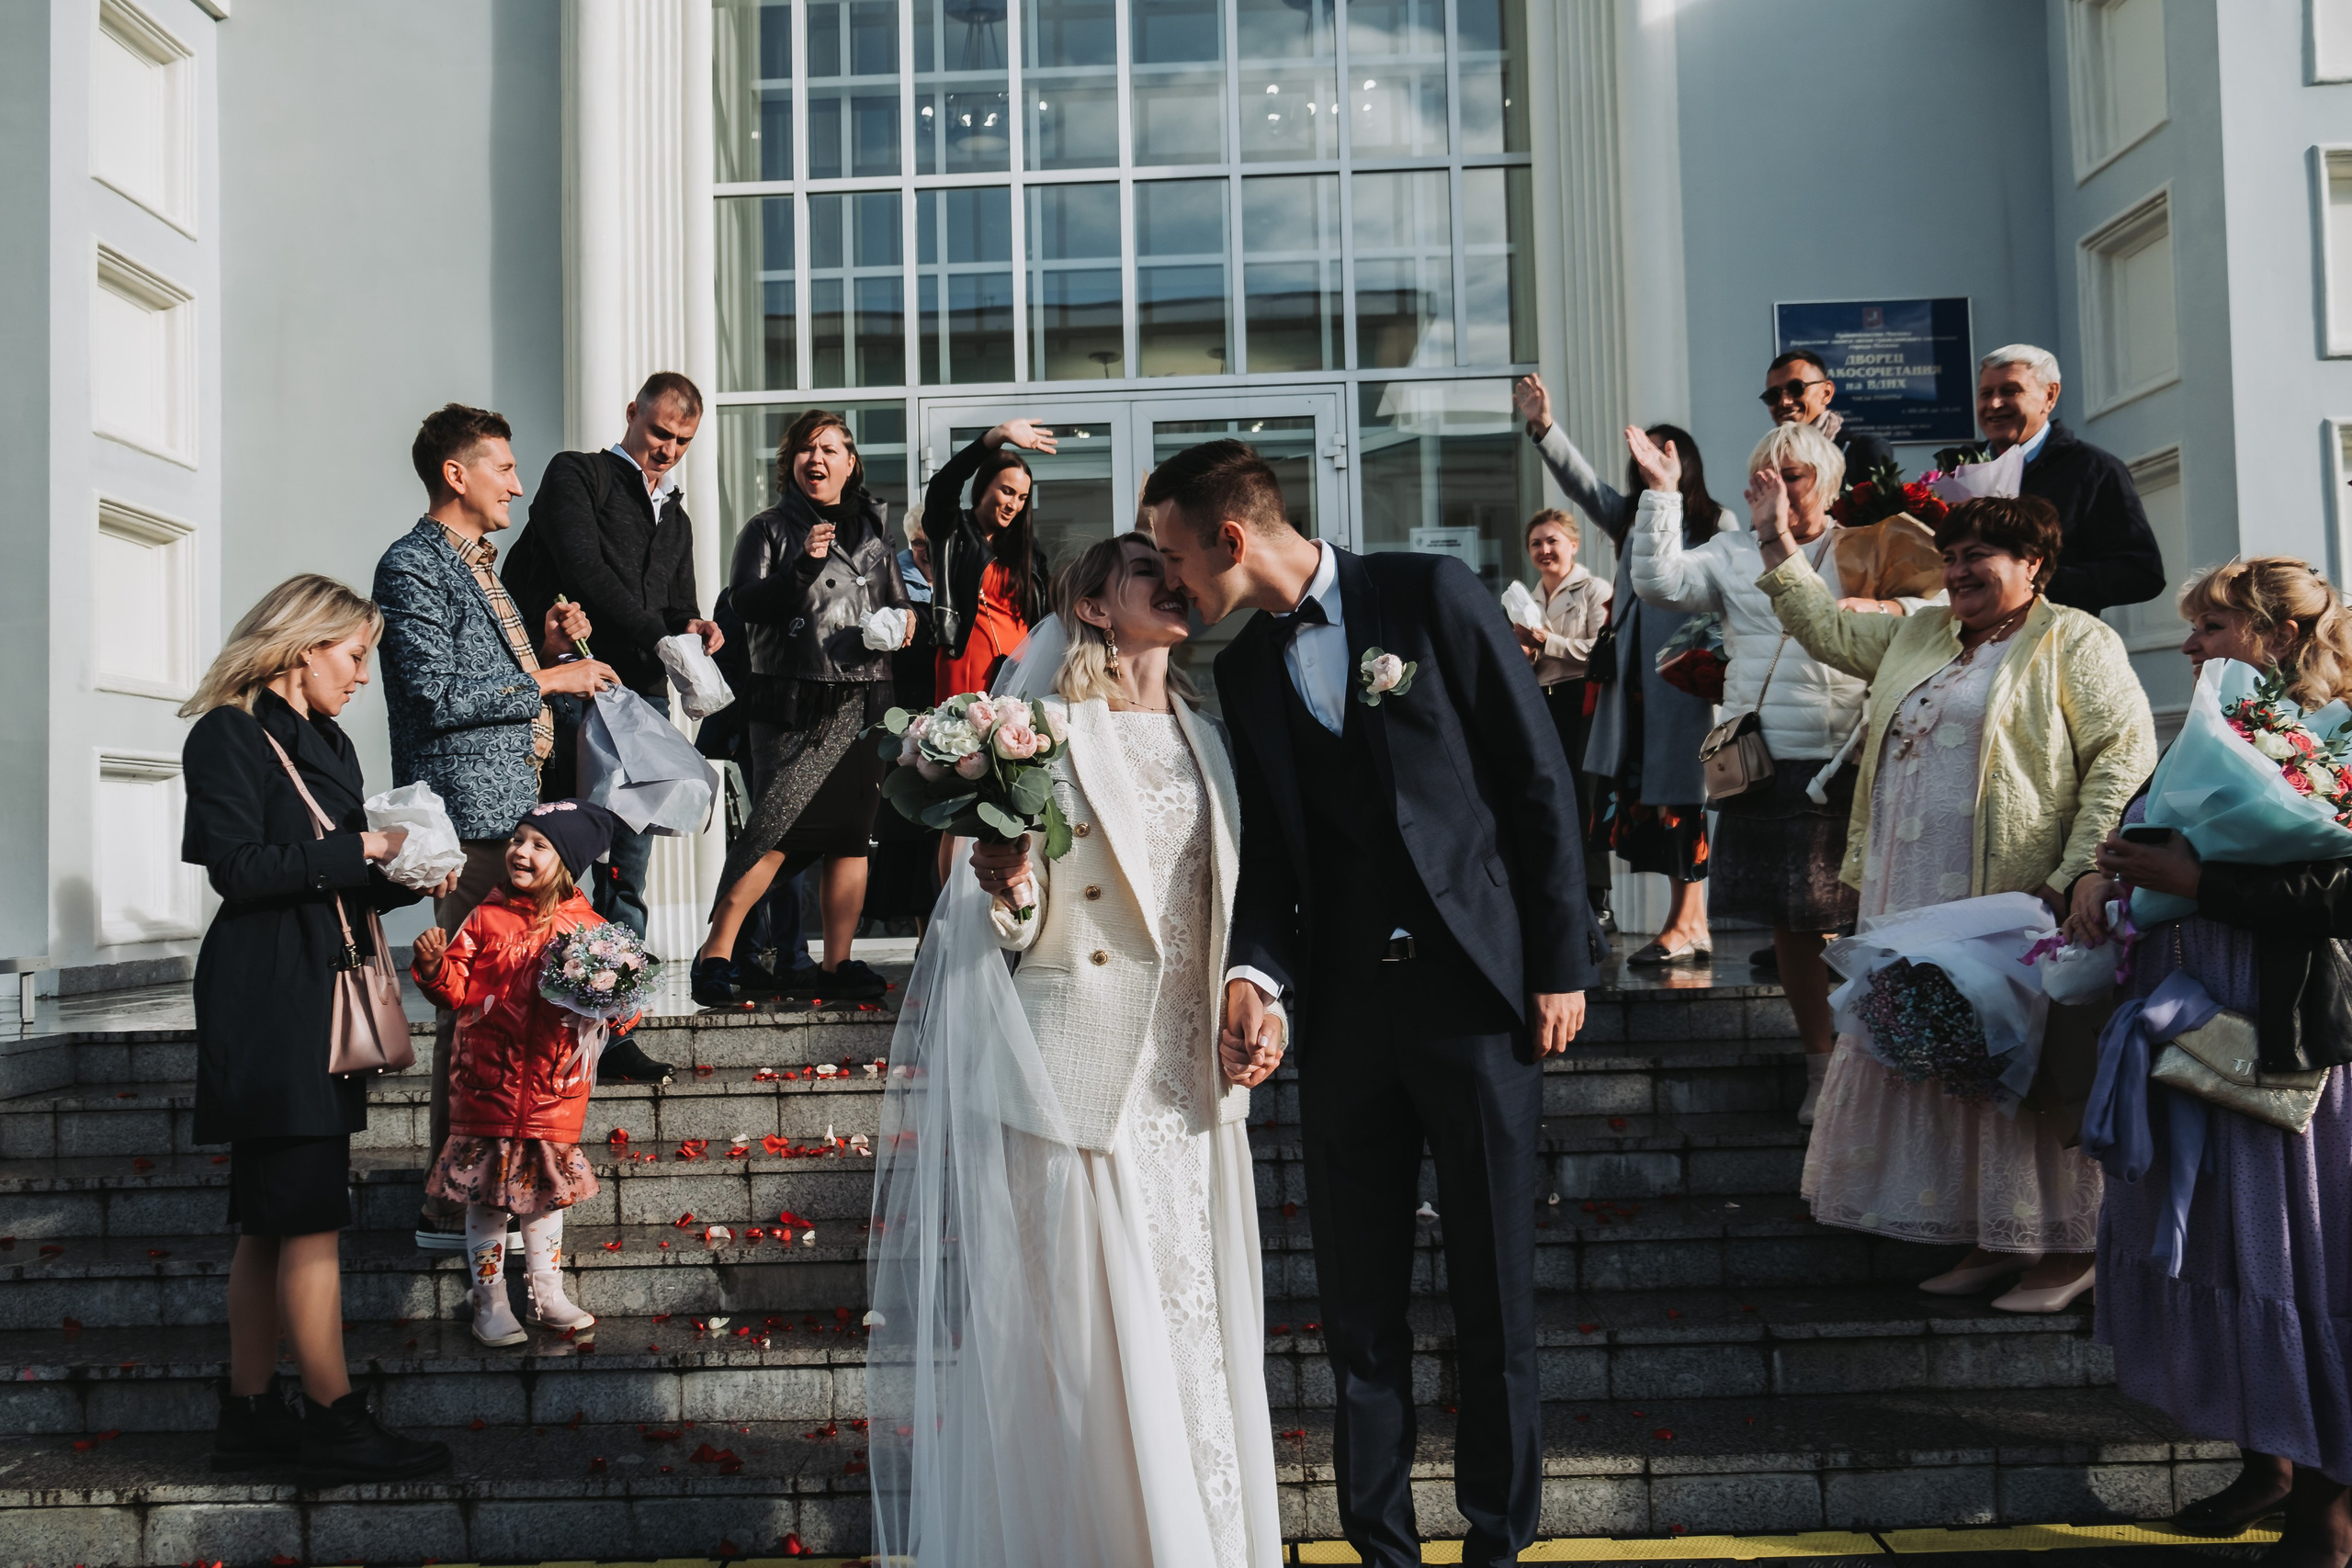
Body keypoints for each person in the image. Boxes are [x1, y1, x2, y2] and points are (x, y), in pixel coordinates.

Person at [1148, 441, 1605, 1568]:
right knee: (1358, 1309)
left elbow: (1535, 778)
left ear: (1230, 539)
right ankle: (1382, 1549)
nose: (1169, 583)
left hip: (1478, 999)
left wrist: (1561, 961)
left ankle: (1497, 1546)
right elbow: (1273, 861)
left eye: (1171, 554)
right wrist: (1258, 977)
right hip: (1349, 1019)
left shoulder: (1429, 592)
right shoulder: (1248, 672)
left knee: (1494, 1298)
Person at [872, 533, 1282, 1567]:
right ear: (1094, 608)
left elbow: (1236, 906)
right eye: (1146, 572)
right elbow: (1010, 915)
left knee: (1187, 1327)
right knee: (1089, 1345)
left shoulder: (1211, 730)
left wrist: (1258, 1000)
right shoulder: (1045, 728)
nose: (1173, 584)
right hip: (1078, 1076)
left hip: (1188, 1083)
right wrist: (1006, 883)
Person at [1755, 491, 2154, 1311]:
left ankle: (2071, 1245)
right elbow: (1826, 629)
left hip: (2013, 894)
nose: (1961, 570)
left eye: (1982, 555)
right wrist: (1775, 537)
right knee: (1952, 1059)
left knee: (2023, 1062)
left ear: (2035, 564)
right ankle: (1994, 1231)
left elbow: (2121, 757)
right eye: (1953, 555)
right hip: (1908, 893)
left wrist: (2084, 870)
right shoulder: (1922, 630)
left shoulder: (2076, 639)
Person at [2075, 558, 2352, 1560]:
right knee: (2230, 1244)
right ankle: (2267, 1461)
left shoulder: (2346, 732)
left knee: (2303, 1257)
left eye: (2212, 627)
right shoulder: (2210, 729)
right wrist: (2104, 866)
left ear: (2276, 637)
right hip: (2196, 1018)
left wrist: (2201, 879)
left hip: (2290, 1041)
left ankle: (2329, 1493)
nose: (2190, 645)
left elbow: (2340, 894)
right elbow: (2150, 819)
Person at [179, 574, 455, 1483]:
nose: (363, 677)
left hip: (318, 986)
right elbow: (240, 869)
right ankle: (334, 1420)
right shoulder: (228, 733)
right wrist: (364, 850)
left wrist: (406, 872)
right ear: (305, 649)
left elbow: (331, 872)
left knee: (270, 1222)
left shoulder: (328, 741)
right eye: (355, 656)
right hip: (268, 1000)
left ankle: (250, 1416)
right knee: (306, 1220)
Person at [1629, 420, 1944, 1121]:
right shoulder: (1736, 551)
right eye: (1760, 476)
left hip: (1856, 755)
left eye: (1789, 475)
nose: (1770, 488)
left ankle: (1881, 1060)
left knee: (1869, 915)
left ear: (1827, 482)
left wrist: (1889, 605)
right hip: (1770, 761)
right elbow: (1658, 582)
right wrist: (1662, 495)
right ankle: (1820, 1066)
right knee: (1795, 922)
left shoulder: (1869, 541)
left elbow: (1946, 606)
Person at [373, 404, 633, 1252]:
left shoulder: (483, 569)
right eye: (504, 468)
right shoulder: (413, 565)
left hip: (511, 818)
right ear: (458, 474)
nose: (519, 484)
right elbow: (432, 696)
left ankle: (498, 1191)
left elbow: (487, 679)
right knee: (473, 1015)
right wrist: (551, 678)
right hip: (470, 823)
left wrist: (540, 650)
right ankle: (451, 1206)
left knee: (516, 1014)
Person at [689, 410, 913, 1008]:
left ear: (850, 464)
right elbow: (746, 603)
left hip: (863, 696)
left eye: (831, 449)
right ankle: (715, 953)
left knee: (849, 838)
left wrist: (904, 621)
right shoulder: (767, 528)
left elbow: (897, 602)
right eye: (808, 449)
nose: (818, 459)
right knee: (772, 834)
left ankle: (836, 961)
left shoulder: (872, 534)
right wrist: (803, 567)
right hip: (794, 700)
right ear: (792, 461)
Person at [503, 371, 726, 943]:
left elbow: (677, 605)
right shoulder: (577, 473)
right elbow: (585, 572)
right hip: (573, 682)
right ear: (632, 412)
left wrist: (693, 626)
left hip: (643, 696)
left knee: (631, 852)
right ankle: (552, 963)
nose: (668, 450)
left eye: (682, 442)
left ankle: (617, 981)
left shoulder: (675, 515)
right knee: (564, 834)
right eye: (660, 432)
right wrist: (659, 633)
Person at [1513, 373, 1725, 954]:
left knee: (1684, 798)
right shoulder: (1631, 518)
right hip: (1629, 685)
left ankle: (1690, 920)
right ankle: (1685, 922)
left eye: (1655, 454)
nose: (1642, 466)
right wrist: (1544, 427)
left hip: (1685, 685)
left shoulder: (1716, 525)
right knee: (1640, 800)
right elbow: (1581, 487)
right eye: (1638, 459)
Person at [412, 799, 629, 1348]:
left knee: (543, 1196)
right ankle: (489, 1298)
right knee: (487, 1197)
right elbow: (456, 991)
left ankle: (545, 1292)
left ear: (569, 861)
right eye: (517, 840)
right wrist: (436, 969)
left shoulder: (593, 930)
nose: (520, 852)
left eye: (539, 845)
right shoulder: (484, 917)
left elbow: (619, 1008)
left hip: (554, 1091)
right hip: (486, 1083)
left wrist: (618, 997)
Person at [1930, 344, 2165, 616]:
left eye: (2010, 391)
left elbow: (2142, 573)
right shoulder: (1954, 469)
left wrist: (2033, 581)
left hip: (2050, 641)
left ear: (2049, 396)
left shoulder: (2094, 469)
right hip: (1962, 641)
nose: (1994, 404)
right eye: (1985, 394)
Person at [1516, 509, 1610, 913]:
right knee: (1550, 797)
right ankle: (1562, 895)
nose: (1544, 550)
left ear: (1573, 544)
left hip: (1582, 700)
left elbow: (1602, 651)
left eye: (1553, 540)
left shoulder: (1594, 590)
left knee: (1586, 797)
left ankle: (1597, 898)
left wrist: (1546, 641)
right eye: (1536, 543)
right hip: (1542, 702)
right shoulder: (1525, 597)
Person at [926, 419, 1057, 702]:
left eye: (1022, 497)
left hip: (1021, 664)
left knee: (1015, 743)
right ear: (983, 486)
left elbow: (1047, 608)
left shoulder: (1028, 549)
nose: (1014, 504)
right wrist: (996, 437)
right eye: (1007, 491)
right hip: (968, 656)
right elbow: (943, 486)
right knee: (963, 739)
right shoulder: (953, 530)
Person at [863, 506, 943, 931]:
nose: (924, 553)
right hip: (907, 710)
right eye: (917, 545)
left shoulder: (960, 582)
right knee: (911, 828)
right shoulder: (895, 585)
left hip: (949, 706)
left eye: (932, 545)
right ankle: (921, 934)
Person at [1760, 348, 1895, 488]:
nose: (1784, 402)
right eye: (1773, 395)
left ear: (1826, 393)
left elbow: (1887, 508)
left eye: (1796, 388)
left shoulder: (1863, 449)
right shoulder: (1768, 460)